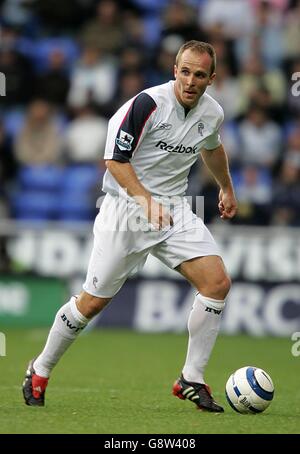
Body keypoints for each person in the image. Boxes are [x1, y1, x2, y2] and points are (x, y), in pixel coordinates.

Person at [22, 40, 238, 412]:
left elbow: (212, 147)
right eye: (184, 71)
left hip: (173, 210)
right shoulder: (147, 104)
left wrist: (226, 187)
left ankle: (191, 377)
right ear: (174, 70)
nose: (190, 81)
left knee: (216, 283)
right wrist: (145, 201)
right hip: (125, 209)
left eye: (199, 75)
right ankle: (40, 369)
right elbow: (114, 161)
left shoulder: (212, 113)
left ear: (211, 79)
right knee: (90, 304)